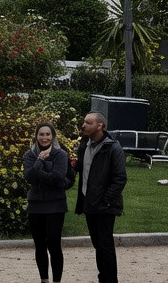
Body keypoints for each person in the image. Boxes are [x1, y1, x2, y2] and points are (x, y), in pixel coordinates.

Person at [74, 111, 126, 283]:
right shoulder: (85, 144)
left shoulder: (112, 148)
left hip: (104, 206)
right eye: (84, 122)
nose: (83, 125)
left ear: (100, 125)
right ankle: (103, 277)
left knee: (105, 245)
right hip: (90, 204)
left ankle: (110, 280)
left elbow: (119, 179)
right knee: (98, 244)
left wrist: (105, 201)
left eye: (88, 123)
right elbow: (81, 169)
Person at [23, 122, 73, 283]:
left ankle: (56, 280)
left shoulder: (60, 154)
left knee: (54, 244)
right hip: (36, 205)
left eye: (47, 134)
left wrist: (39, 173)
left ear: (53, 136)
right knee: (40, 245)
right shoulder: (30, 155)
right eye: (41, 134)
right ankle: (44, 279)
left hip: (55, 205)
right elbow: (29, 177)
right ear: (36, 136)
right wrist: (40, 161)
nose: (44, 137)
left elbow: (58, 178)